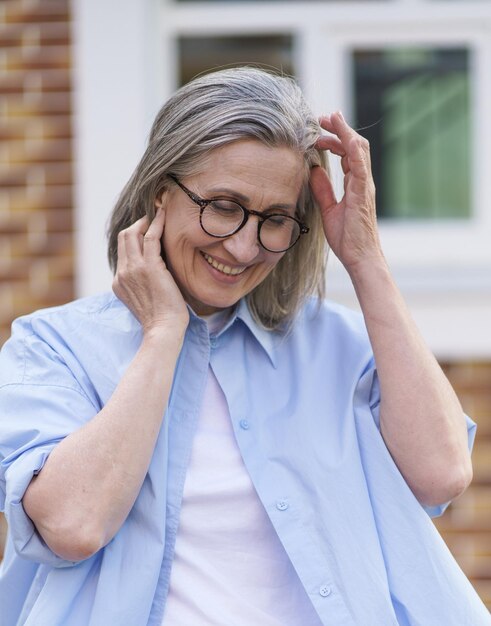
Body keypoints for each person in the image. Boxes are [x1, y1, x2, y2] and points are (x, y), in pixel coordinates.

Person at [0, 67, 488, 626]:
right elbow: (72, 525)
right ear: (161, 194)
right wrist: (163, 334)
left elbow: (442, 473)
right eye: (225, 206)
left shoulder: (338, 344)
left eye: (275, 219)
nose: (244, 246)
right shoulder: (52, 348)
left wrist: (365, 258)